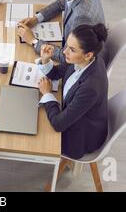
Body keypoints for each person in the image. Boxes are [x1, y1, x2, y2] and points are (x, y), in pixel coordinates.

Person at [37, 23, 108, 160]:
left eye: (72, 49)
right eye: (67, 46)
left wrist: (47, 94)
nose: (64, 52)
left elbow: (58, 124)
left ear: (88, 55)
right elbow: (58, 72)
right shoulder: (85, 60)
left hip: (80, 138)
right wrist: (46, 60)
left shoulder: (90, 87)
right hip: (75, 114)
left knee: (38, 136)